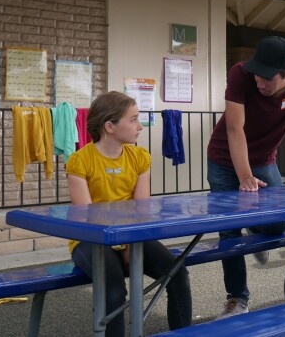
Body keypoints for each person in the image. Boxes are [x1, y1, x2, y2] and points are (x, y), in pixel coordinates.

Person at [206, 35, 285, 319]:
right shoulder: (240, 74)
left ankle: (256, 227)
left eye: (266, 78)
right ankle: (237, 299)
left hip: (265, 161)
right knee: (229, 230)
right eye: (256, 75)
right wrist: (245, 176)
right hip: (224, 161)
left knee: (279, 225)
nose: (259, 83)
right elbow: (233, 129)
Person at [67, 91, 192, 337]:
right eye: (133, 119)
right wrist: (123, 242)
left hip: (131, 233)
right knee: (113, 290)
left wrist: (129, 243)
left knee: (177, 273)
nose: (140, 126)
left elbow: (141, 209)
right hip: (90, 239)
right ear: (110, 126)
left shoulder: (140, 158)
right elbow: (87, 218)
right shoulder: (79, 161)